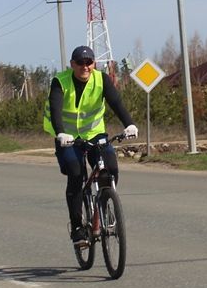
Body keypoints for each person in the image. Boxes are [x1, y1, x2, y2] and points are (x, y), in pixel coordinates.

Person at [44, 46, 138, 247]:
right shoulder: (60, 81)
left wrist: (129, 124)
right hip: (68, 138)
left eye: (89, 62)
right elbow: (55, 110)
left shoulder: (100, 79)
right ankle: (78, 228)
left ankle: (105, 202)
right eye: (80, 63)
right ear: (72, 64)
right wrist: (61, 133)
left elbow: (116, 103)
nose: (85, 67)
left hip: (95, 135)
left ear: (94, 63)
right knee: (76, 173)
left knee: (110, 167)